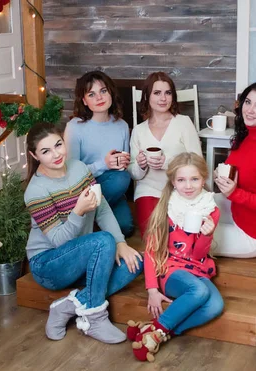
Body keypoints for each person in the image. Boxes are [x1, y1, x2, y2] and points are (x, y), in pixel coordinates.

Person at [24, 122, 143, 344]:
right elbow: (59, 241)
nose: (56, 154)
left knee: (136, 262)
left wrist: (121, 243)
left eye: (58, 145)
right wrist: (78, 211)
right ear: (34, 155)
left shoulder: (79, 168)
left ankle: (67, 306)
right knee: (102, 240)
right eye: (45, 151)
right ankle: (95, 318)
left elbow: (102, 208)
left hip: (80, 259)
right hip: (48, 264)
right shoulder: (36, 191)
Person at [126, 153, 222, 362]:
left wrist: (206, 235)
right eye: (181, 180)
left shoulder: (210, 209)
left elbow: (198, 255)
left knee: (215, 306)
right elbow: (151, 251)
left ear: (203, 179)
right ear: (173, 181)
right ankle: (158, 331)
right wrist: (152, 290)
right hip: (170, 268)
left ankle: (157, 332)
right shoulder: (166, 206)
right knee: (198, 291)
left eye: (194, 179)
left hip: (198, 267)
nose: (188, 186)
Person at [128, 72, 203, 237]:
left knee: (179, 238)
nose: (163, 98)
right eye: (157, 93)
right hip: (148, 190)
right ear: (147, 96)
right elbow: (134, 174)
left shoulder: (183, 122)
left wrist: (166, 163)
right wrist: (140, 165)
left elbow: (198, 163)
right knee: (153, 238)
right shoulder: (139, 131)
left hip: (181, 190)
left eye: (168, 93)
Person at [65, 71, 134, 237]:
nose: (99, 98)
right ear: (84, 101)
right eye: (91, 94)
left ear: (110, 93)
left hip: (112, 188)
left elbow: (125, 165)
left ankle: (88, 218)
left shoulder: (122, 126)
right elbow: (71, 172)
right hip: (84, 188)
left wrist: (125, 162)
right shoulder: (75, 126)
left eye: (103, 91)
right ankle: (86, 215)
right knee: (121, 179)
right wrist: (104, 164)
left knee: (126, 227)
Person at [213, 82, 256, 258]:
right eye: (248, 102)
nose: (249, 110)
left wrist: (234, 193)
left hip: (254, 234)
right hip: (237, 210)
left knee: (189, 239)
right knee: (189, 204)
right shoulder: (245, 136)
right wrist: (219, 175)